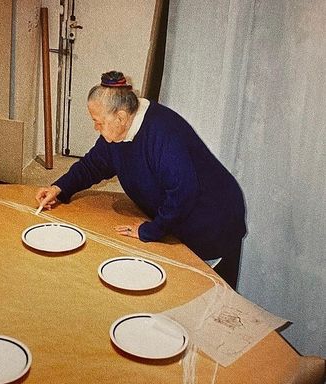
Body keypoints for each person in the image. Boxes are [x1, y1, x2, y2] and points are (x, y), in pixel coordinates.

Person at [36, 71, 246, 290]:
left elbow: (183, 191)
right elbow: (93, 165)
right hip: (178, 218)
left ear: (121, 117)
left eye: (98, 122)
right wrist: (59, 188)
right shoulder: (117, 132)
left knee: (207, 303)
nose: (96, 128)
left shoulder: (163, 133)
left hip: (213, 222)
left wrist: (151, 230)